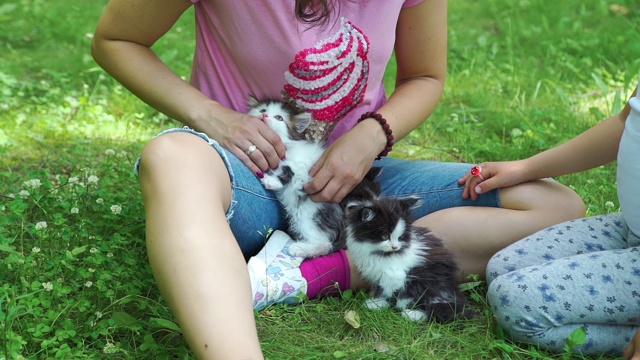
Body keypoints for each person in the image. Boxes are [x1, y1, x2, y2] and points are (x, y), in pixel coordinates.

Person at [91, 0, 585, 358]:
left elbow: (425, 77)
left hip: (361, 187)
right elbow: (117, 39)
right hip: (253, 173)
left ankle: (317, 272)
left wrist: (374, 133)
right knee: (171, 155)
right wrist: (211, 115)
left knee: (552, 204)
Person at [458, 83, 639, 358]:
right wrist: (524, 168)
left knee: (516, 301)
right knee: (503, 267)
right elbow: (624, 123)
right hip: (630, 228)